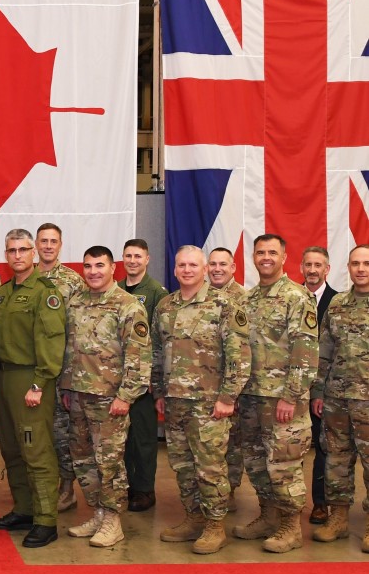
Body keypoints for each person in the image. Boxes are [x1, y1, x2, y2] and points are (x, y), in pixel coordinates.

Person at [152, 246, 251, 555]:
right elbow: (156, 352)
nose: (186, 270)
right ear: (175, 269)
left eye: (193, 265)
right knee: (182, 465)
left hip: (210, 404)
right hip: (175, 401)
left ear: (206, 269)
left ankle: (214, 526)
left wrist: (227, 397)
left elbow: (239, 356)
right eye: (181, 265)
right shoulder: (165, 307)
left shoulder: (224, 305)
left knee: (210, 467)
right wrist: (158, 392)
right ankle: (193, 517)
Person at [233, 234, 317, 553]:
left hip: (282, 399)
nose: (265, 257)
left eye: (272, 252)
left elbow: (305, 349)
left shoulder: (297, 296)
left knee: (284, 464)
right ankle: (268, 517)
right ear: (253, 258)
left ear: (284, 257)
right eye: (260, 252)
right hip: (252, 397)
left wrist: (291, 396)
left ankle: (290, 527)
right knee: (256, 462)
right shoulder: (249, 299)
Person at [63, 246, 152, 548]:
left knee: (110, 462)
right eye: (87, 266)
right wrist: (66, 386)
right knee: (83, 459)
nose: (93, 272)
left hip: (110, 399)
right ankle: (99, 512)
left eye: (99, 265)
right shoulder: (76, 301)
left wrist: (126, 397)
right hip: (78, 396)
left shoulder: (128, 306)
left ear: (113, 267)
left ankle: (114, 520)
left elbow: (139, 357)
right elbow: (68, 349)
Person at [0, 229, 66, 548]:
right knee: (12, 448)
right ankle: (24, 509)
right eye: (11, 250)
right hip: (5, 379)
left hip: (30, 380)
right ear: (6, 254)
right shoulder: (4, 293)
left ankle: (46, 520)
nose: (17, 255)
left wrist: (40, 382)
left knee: (36, 448)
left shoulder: (44, 293)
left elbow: (51, 340)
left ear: (33, 253)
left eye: (23, 249)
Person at [310, 245, 369, 551]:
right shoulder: (337, 305)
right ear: (348, 267)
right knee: (335, 458)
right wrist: (318, 391)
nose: (361, 268)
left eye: (366, 263)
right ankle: (339, 518)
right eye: (356, 263)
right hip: (337, 399)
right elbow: (324, 352)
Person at [36, 223, 86, 512]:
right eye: (43, 241)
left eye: (53, 241)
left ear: (60, 244)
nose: (48, 246)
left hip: (61, 368)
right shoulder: (26, 276)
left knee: (62, 431)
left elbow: (78, 327)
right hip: (33, 368)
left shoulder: (72, 280)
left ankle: (67, 488)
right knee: (37, 430)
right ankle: (42, 484)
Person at [117, 238, 167, 512]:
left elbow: (160, 340)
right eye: (128, 256)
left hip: (144, 380)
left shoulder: (157, 293)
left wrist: (153, 378)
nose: (133, 261)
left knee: (143, 438)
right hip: (117, 378)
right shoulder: (117, 290)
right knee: (119, 438)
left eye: (138, 256)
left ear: (147, 260)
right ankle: (124, 486)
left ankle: (144, 489)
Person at [207, 247, 247, 510]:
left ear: (233, 268)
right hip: (206, 385)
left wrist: (233, 389)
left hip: (235, 385)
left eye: (223, 264)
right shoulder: (202, 295)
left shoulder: (243, 298)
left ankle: (229, 489)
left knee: (233, 442)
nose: (217, 268)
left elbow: (244, 346)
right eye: (212, 264)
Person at [301, 246, 336, 525]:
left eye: (318, 265)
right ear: (301, 267)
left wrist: (321, 390)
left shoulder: (339, 302)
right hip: (291, 389)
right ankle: (286, 505)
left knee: (324, 447)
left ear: (327, 269)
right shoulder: (290, 297)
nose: (312, 270)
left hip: (326, 389)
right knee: (289, 449)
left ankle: (321, 503)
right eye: (308, 265)